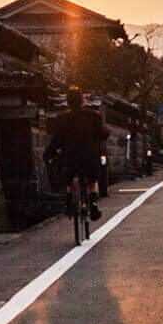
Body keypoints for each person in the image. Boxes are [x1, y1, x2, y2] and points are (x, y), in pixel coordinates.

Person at [43, 86, 109, 222]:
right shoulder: (93, 115)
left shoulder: (62, 118)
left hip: (69, 158)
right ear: (82, 101)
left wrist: (47, 154)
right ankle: (93, 203)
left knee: (67, 177)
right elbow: (103, 133)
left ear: (68, 102)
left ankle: (68, 202)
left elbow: (56, 140)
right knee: (92, 179)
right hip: (89, 157)